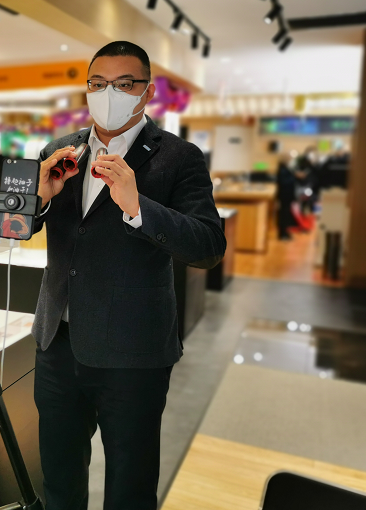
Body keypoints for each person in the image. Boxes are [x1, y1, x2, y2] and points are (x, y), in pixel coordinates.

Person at [32, 42, 226, 510]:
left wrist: (138, 207)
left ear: (147, 92)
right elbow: (13, 227)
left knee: (130, 487)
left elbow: (207, 246)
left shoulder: (179, 157)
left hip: (133, 350)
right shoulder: (59, 150)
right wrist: (36, 199)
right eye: (98, 84)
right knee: (58, 479)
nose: (108, 94)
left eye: (123, 84)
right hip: (57, 342)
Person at [276, 153, 298, 240]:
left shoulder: (286, 168)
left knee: (286, 213)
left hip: (287, 195)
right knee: (284, 214)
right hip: (285, 195)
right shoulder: (283, 169)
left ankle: (285, 231)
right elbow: (283, 181)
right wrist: (295, 177)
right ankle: (282, 233)